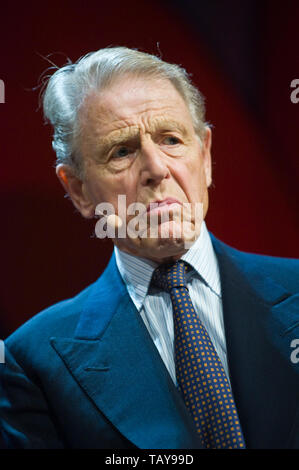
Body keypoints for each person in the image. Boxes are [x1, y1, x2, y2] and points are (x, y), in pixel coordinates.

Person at [0, 47, 298, 450]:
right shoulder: (32, 363)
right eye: (122, 151)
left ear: (205, 157)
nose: (157, 169)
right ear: (79, 189)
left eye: (171, 139)